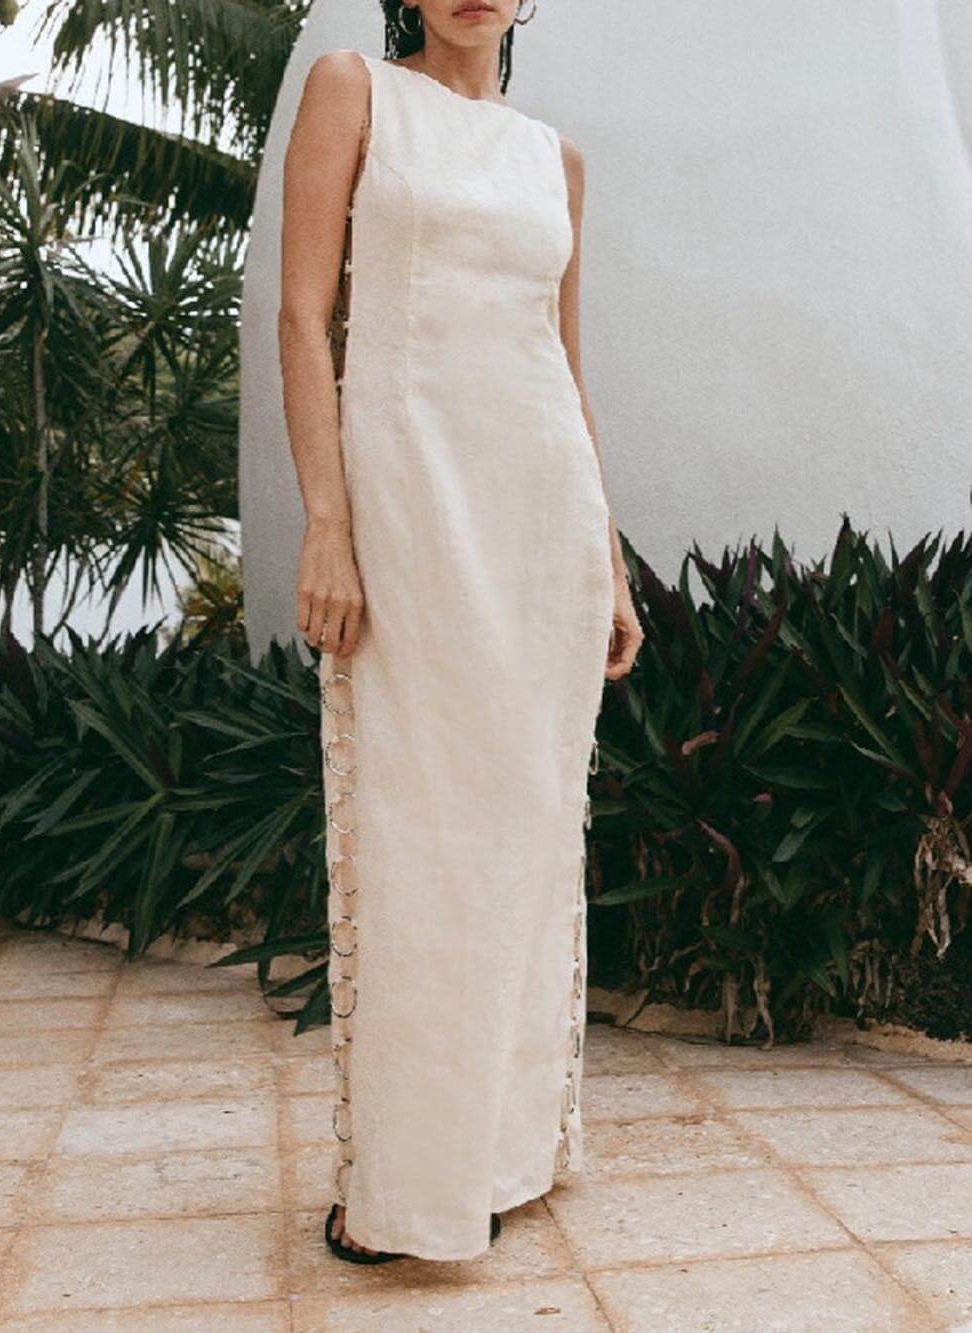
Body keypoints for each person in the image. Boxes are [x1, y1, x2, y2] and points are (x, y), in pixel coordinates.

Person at [277, 0, 643, 1264]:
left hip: (541, 519)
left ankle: (507, 1154)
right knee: (420, 827)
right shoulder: (353, 89)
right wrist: (328, 522)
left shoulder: (557, 158)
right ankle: (410, 1186)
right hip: (409, 504)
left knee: (525, 838)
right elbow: (302, 318)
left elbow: (563, 369)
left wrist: (607, 561)